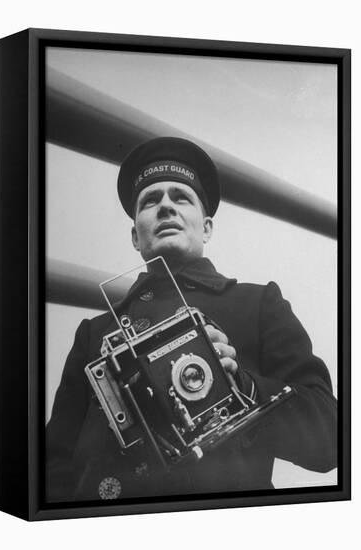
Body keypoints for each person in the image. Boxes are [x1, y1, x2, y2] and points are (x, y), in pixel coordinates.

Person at [46, 137, 337, 502]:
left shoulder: (258, 303)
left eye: (181, 197)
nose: (166, 206)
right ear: (136, 235)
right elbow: (53, 463)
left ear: (207, 228)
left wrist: (243, 387)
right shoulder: (94, 332)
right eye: (150, 201)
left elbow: (329, 438)